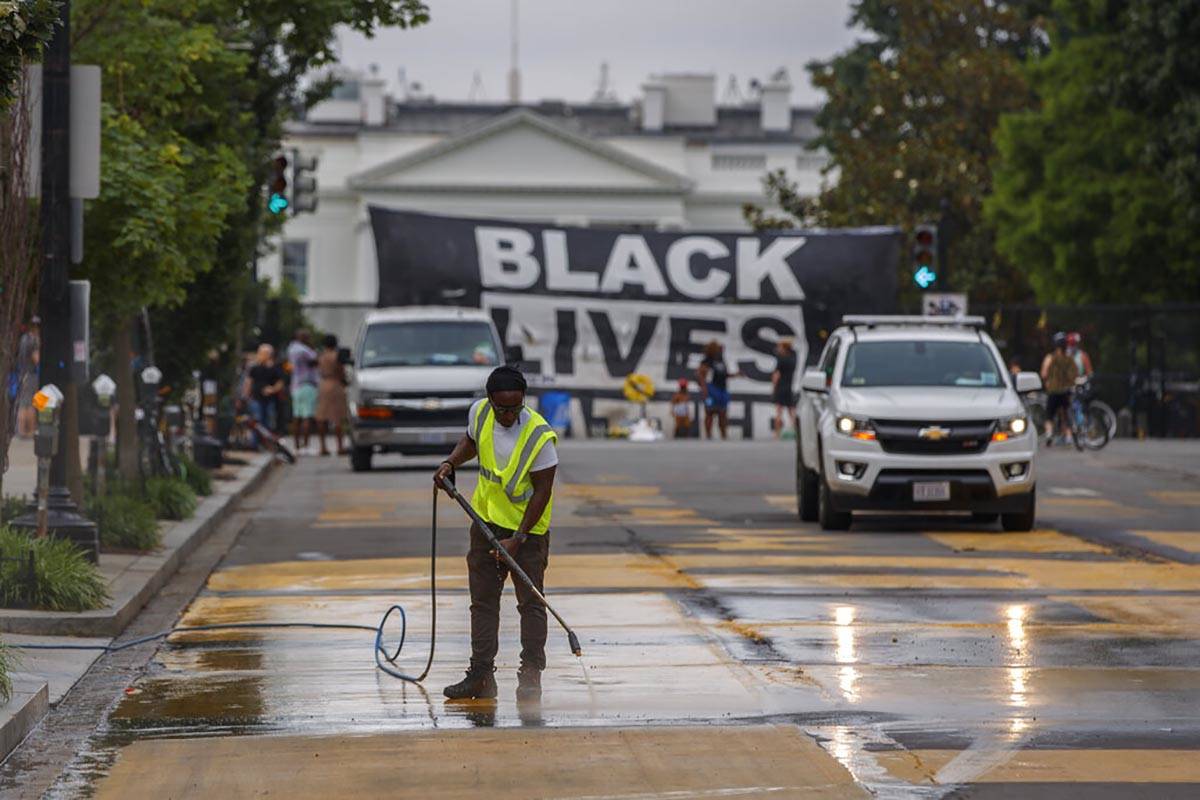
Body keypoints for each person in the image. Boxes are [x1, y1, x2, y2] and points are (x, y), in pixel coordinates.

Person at [434, 365, 559, 702]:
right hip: (486, 523)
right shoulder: (481, 413)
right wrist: (451, 463)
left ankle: (531, 675)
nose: (507, 415)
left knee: (531, 603)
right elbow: (472, 440)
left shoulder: (539, 436)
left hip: (527, 533)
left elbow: (543, 492)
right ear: (489, 401)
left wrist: (517, 539)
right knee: (483, 602)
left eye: (515, 408)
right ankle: (480, 676)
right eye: (501, 408)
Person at [1040, 332, 1079, 445]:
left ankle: (1049, 433)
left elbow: (1044, 373)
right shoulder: (1069, 359)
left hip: (1052, 390)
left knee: (1049, 415)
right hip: (1065, 390)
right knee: (1065, 415)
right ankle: (1068, 436)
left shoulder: (1050, 357)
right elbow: (1074, 374)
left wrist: (1047, 381)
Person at [243, 344, 285, 447]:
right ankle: (255, 444)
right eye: (261, 353)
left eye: (265, 353)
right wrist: (246, 396)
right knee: (257, 421)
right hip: (256, 398)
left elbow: (280, 383)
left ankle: (266, 444)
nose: (262, 355)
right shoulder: (254, 367)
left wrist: (272, 389)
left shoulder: (274, 368)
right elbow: (248, 382)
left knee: (268, 422)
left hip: (269, 400)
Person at [696, 340, 740, 440]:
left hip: (722, 390)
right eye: (719, 348)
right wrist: (704, 389)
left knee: (723, 413)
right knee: (709, 412)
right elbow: (700, 375)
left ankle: (723, 435)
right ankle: (708, 435)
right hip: (711, 390)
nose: (721, 349)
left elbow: (724, 375)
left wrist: (735, 375)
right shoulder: (707, 361)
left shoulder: (721, 360)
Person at [286, 330, 319, 452]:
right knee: (306, 416)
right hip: (307, 385)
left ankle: (296, 445)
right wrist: (312, 347)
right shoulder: (304, 350)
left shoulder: (291, 348)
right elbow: (315, 361)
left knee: (296, 416)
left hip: (295, 385)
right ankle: (305, 445)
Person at [315, 335, 348, 456]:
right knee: (337, 417)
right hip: (335, 384)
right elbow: (341, 371)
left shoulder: (320, 356)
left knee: (321, 416)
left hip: (323, 384)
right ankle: (340, 446)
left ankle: (323, 447)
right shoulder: (337, 356)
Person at [15, 318, 40, 438]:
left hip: (22, 374)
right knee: (32, 404)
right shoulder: (34, 340)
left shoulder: (23, 338)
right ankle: (30, 431)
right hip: (31, 375)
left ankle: (21, 430)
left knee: (22, 403)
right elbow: (36, 359)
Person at [771, 338, 799, 438]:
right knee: (791, 411)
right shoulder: (793, 358)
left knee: (779, 411)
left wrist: (774, 387)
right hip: (788, 386)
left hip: (781, 386)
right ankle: (797, 431)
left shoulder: (781, 359)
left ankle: (777, 433)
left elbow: (776, 375)